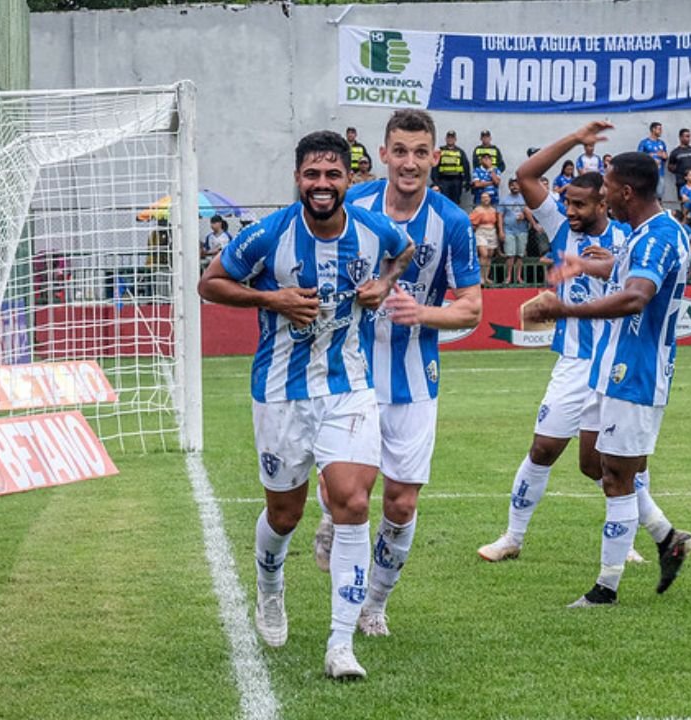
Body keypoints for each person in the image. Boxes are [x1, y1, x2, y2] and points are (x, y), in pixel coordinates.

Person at [196, 130, 415, 680]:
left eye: (333, 175)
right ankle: (270, 590)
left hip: (350, 386)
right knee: (285, 514)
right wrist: (270, 297)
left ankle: (341, 645)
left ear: (349, 180)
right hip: (280, 392)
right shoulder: (267, 236)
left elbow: (403, 251)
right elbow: (211, 282)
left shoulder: (371, 228)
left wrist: (384, 283)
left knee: (353, 503)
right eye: (312, 175)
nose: (322, 185)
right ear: (298, 179)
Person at [479, 124, 679, 574]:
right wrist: (576, 139)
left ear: (604, 203)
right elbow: (527, 174)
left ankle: (632, 538)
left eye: (579, 203)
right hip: (574, 363)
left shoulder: (630, 237)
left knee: (602, 464)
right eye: (565, 202)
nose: (568, 210)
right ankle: (513, 536)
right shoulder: (558, 226)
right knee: (544, 448)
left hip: (616, 366)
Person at [313, 108, 482, 639]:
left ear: (435, 157)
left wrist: (423, 313)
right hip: (350, 371)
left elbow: (472, 309)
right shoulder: (354, 203)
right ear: (383, 155)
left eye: (420, 152)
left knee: (402, 502)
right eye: (400, 151)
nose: (410, 163)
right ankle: (331, 514)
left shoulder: (451, 222)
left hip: (414, 377)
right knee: (349, 490)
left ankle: (376, 605)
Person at [523, 138, 691, 607]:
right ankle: (665, 536)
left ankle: (606, 588)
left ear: (625, 193)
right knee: (599, 467)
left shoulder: (658, 236)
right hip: (614, 368)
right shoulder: (648, 232)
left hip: (635, 372)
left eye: (610, 189)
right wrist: (587, 263)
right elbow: (624, 269)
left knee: (617, 476)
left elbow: (636, 295)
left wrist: (565, 310)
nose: (604, 198)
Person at [498, 177, 532, 284]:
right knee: (510, 255)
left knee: (520, 255)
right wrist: (501, 231)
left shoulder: (525, 198)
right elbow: (500, 216)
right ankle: (508, 277)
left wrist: (524, 216)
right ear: (509, 186)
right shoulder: (504, 200)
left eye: (516, 184)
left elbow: (532, 213)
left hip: (522, 230)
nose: (514, 187)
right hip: (508, 230)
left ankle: (518, 277)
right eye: (512, 185)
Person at [470, 190, 502, 285]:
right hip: (481, 231)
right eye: (483, 198)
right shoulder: (477, 210)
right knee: (483, 254)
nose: (485, 199)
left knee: (489, 255)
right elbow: (472, 222)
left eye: (487, 197)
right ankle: (479, 277)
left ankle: (486, 276)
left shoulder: (493, 210)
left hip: (492, 231)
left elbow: (496, 223)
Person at [431, 130, 471, 206]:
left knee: (455, 202)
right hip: (443, 181)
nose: (450, 140)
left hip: (456, 180)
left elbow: (466, 167)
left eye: (452, 138)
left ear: (455, 139)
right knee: (444, 201)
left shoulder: (460, 152)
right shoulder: (440, 151)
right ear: (445, 139)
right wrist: (436, 182)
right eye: (449, 138)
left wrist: (467, 181)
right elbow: (435, 167)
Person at [667, 128, 691, 200]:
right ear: (681, 137)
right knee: (683, 201)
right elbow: (669, 166)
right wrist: (678, 170)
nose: (689, 138)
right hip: (681, 181)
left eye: (689, 136)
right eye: (687, 136)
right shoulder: (675, 152)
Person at [637, 122, 668, 198]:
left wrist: (664, 156)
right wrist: (650, 158)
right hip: (648, 174)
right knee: (648, 194)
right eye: (659, 129)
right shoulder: (644, 143)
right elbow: (639, 157)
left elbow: (666, 156)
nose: (661, 131)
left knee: (659, 193)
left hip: (660, 173)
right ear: (653, 129)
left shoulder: (662, 143)